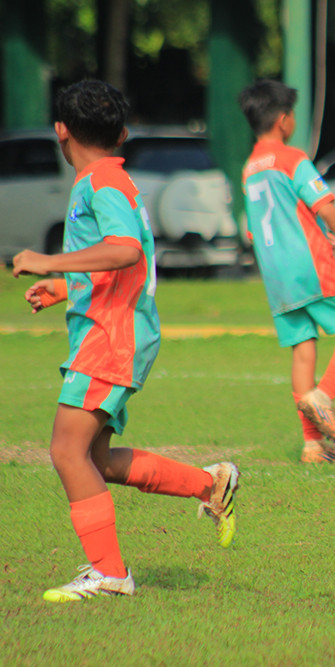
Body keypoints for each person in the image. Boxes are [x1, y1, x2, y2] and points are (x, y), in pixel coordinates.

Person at [12, 79, 239, 603]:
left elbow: (124, 251)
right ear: (124, 132)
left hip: (112, 336)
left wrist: (50, 260)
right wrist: (65, 284)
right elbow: (113, 262)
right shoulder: (106, 179)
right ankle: (211, 485)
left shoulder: (100, 185)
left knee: (66, 451)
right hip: (114, 331)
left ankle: (110, 573)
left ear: (61, 131)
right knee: (95, 459)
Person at [238, 79, 335, 464]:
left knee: (303, 349)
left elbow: (258, 225)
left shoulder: (250, 168)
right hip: (309, 265)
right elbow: (324, 205)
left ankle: (313, 446)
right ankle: (324, 397)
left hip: (275, 274)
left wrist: (316, 234)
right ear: (284, 120)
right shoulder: (292, 159)